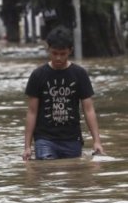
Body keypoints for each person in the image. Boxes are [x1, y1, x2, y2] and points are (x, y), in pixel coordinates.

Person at [23, 26, 104, 161]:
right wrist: (27, 146)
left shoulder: (79, 74)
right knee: (47, 174)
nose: (58, 58)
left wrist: (97, 141)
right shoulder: (38, 75)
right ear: (48, 49)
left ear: (70, 51)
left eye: (63, 53)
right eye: (54, 53)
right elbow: (32, 112)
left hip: (72, 139)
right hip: (44, 139)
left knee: (72, 178)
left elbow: (88, 109)